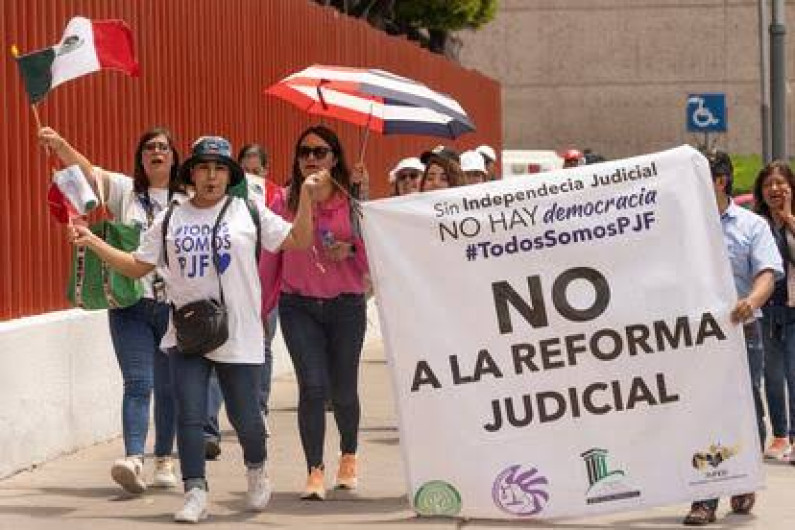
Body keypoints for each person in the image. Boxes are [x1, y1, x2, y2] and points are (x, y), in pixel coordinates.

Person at [67, 135, 319, 522]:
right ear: (191, 173)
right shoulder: (172, 216)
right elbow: (137, 265)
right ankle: (195, 491)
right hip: (186, 332)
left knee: (245, 416)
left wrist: (306, 201)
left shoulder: (248, 212)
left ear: (229, 175)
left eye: (219, 168)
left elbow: (299, 239)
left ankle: (256, 469)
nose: (211, 176)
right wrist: (91, 242)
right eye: (203, 167)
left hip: (237, 332)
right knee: (190, 412)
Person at [38, 126, 181, 494]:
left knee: (167, 387)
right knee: (138, 383)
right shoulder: (127, 192)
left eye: (163, 147)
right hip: (130, 302)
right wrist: (60, 144)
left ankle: (164, 457)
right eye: (149, 147)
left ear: (174, 156)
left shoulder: (189, 199)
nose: (155, 152)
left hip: (175, 307)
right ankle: (134, 458)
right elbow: (87, 172)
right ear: (141, 157)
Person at [261, 125, 369, 500]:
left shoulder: (351, 203)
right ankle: (314, 471)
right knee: (313, 386)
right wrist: (262, 306)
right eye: (304, 152)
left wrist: (351, 251)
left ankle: (349, 456)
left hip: (346, 306)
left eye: (319, 152)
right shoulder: (283, 201)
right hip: (298, 305)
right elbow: (270, 254)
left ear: (334, 158)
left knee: (342, 390)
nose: (310, 158)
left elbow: (375, 256)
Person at [683, 150, 782, 526]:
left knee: (746, 411)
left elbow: (768, 273)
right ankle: (703, 498)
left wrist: (751, 301)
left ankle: (742, 475)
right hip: (693, 339)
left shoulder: (751, 226)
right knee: (702, 413)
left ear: (719, 182)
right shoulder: (681, 227)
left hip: (745, 331)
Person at [204, 142, 282, 459]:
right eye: (244, 168)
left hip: (265, 288)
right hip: (227, 292)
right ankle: (207, 429)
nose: (250, 175)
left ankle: (257, 409)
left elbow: (285, 235)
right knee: (214, 356)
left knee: (260, 350)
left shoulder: (274, 196)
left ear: (265, 170)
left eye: (255, 169)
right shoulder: (224, 199)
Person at [753, 160, 795, 461]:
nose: (775, 189)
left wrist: (790, 220)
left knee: (794, 375)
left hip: (794, 310)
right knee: (772, 375)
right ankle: (779, 436)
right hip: (766, 312)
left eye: (781, 183)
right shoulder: (756, 225)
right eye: (768, 185)